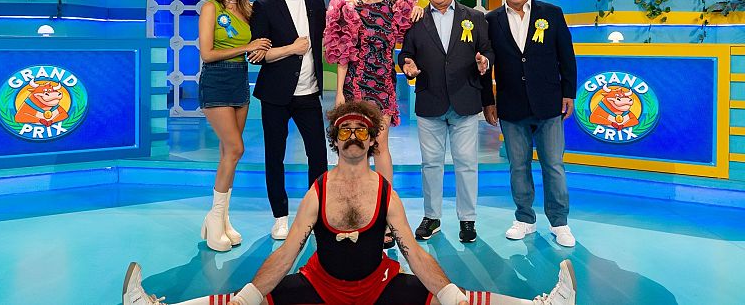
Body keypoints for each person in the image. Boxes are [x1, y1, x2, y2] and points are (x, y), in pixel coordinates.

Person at [122, 100, 578, 305]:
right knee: (250, 302)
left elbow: (413, 252)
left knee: (450, 301)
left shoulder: (386, 193)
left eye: (362, 130)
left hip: (379, 285)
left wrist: (448, 292)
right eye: (346, 130)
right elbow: (288, 251)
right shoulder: (317, 190)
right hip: (320, 285)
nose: (354, 135)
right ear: (335, 140)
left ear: (373, 139)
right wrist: (248, 295)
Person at [482, 0, 578, 248]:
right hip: (511, 106)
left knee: (554, 166)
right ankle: (524, 218)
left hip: (549, 104)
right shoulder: (491, 20)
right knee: (518, 166)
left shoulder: (552, 13)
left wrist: (568, 93)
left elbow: (566, 56)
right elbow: (486, 64)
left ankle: (559, 222)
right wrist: (488, 100)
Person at [398, 0, 493, 243]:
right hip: (430, 101)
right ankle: (432, 217)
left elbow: (487, 50)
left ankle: (468, 219)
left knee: (467, 163)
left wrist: (485, 61)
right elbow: (405, 53)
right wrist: (406, 63)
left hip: (465, 100)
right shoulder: (415, 19)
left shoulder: (475, 17)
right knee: (431, 164)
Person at [323, 0, 424, 185]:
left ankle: (384, 199)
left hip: (383, 86)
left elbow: (414, 37)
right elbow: (344, 54)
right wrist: (339, 92)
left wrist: (417, 9)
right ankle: (354, 195)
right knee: (354, 143)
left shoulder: (398, 9)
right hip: (355, 85)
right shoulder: (351, 10)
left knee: (379, 144)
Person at [249, 0, 328, 240]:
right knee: (275, 156)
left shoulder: (316, 3)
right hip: (275, 94)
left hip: (309, 93)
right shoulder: (264, 6)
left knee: (318, 155)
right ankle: (280, 217)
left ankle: (315, 214)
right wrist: (291, 49)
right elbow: (258, 55)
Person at [198, 0, 272, 252]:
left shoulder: (248, 10)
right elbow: (207, 53)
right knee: (236, 148)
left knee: (228, 153)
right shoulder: (210, 8)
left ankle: (222, 219)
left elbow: (260, 42)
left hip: (240, 79)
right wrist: (247, 46)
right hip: (216, 80)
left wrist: (260, 48)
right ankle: (215, 219)